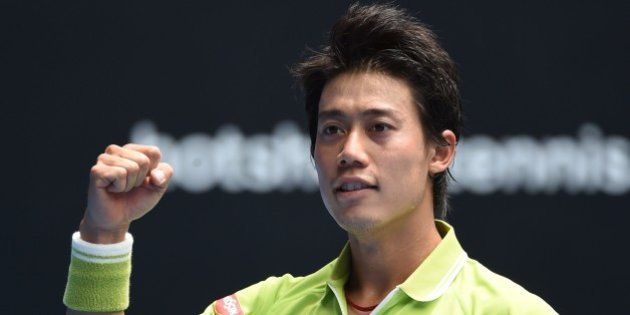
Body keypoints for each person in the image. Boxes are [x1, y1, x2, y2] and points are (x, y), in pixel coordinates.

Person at [63, 3, 557, 315]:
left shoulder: (513, 311)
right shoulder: (259, 309)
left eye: (379, 128)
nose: (350, 152)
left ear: (440, 150)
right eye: (332, 130)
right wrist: (103, 236)